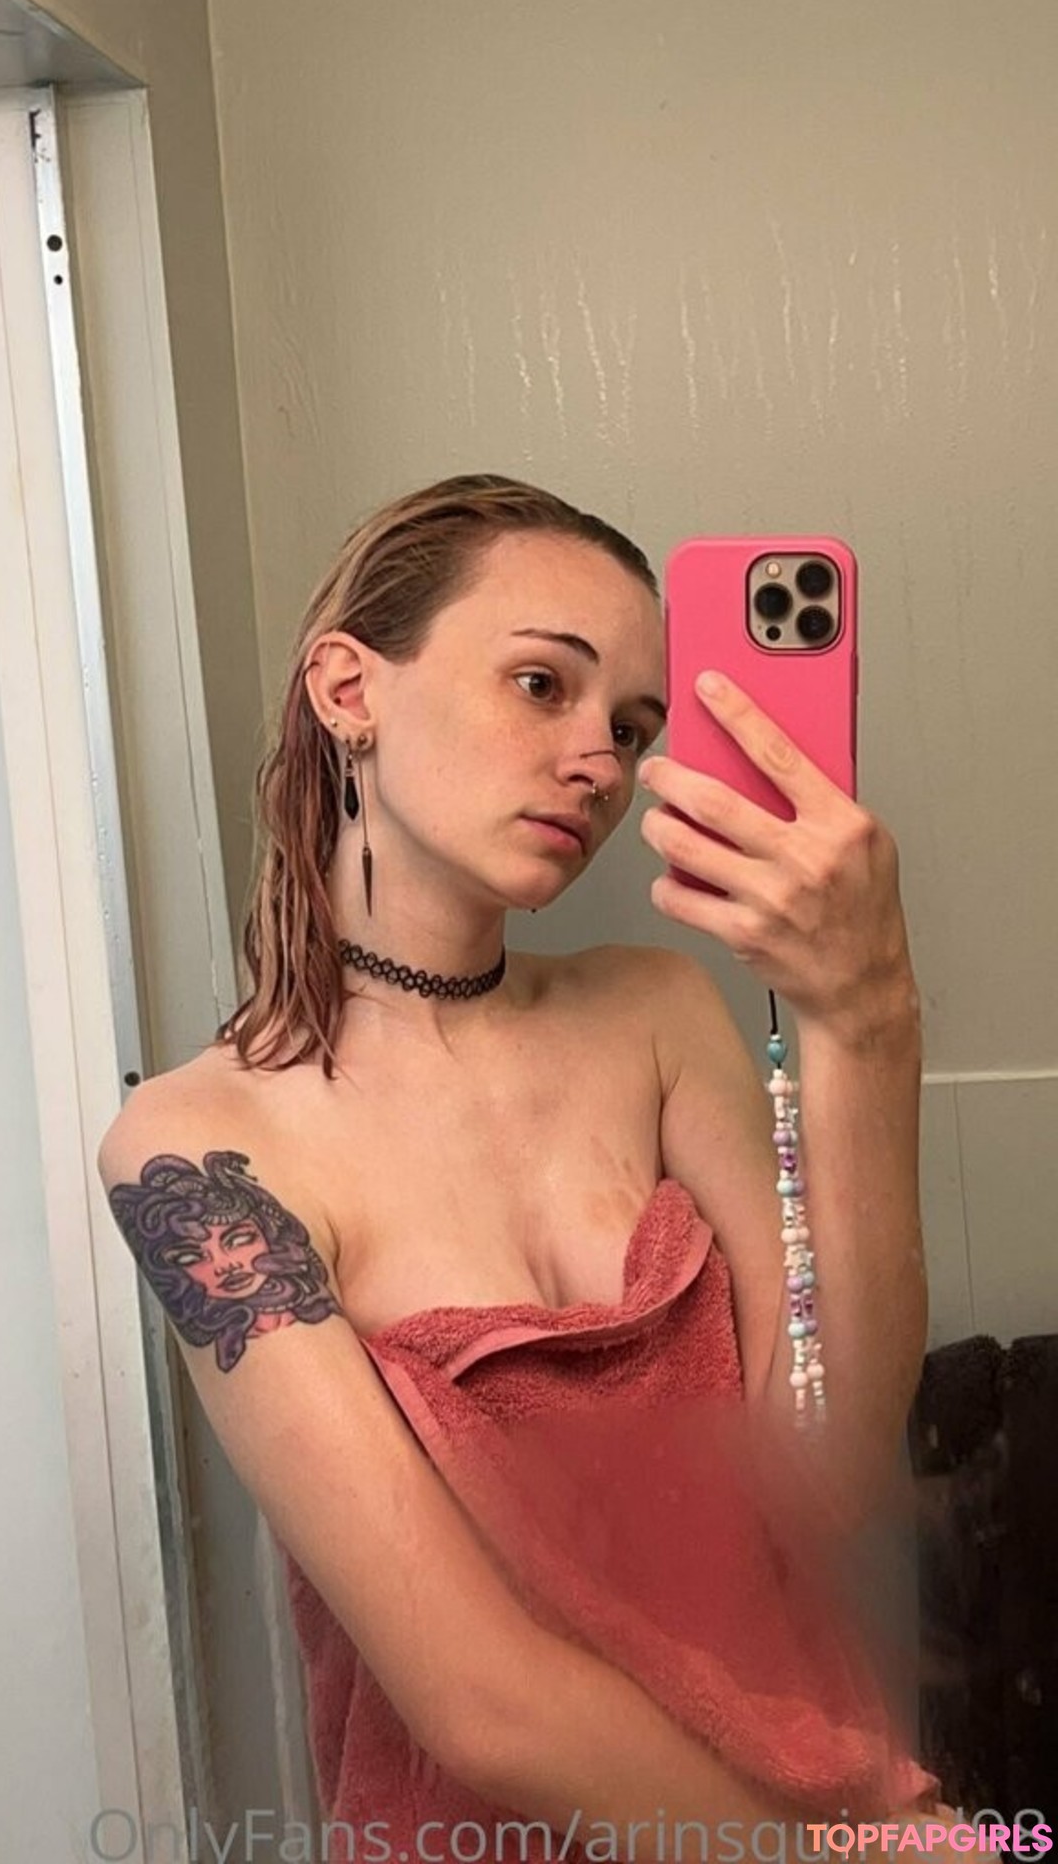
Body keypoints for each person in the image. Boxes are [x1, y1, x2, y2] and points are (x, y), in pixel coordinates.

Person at [98, 475, 973, 1863]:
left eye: (630, 727)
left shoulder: (658, 1015)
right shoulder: (198, 1151)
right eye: (540, 685)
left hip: (819, 1779)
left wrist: (867, 1024)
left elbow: (827, 1474)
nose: (600, 763)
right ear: (348, 689)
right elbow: (482, 1703)